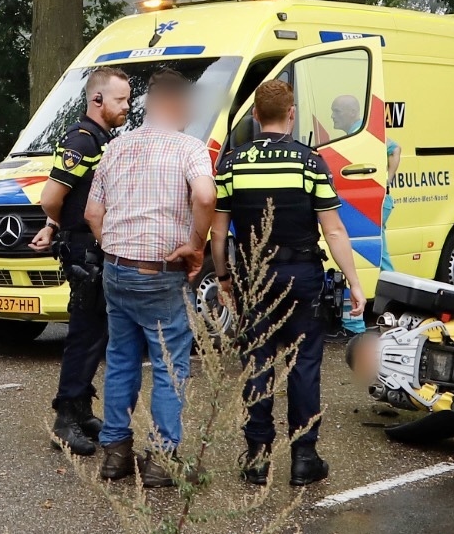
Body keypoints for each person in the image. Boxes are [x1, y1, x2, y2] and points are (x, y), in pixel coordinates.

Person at [211, 77, 364, 487]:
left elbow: (219, 230)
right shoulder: (309, 162)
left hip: (253, 277)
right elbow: (333, 231)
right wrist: (355, 283)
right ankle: (303, 457)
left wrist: (224, 277)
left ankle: (258, 457)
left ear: (257, 116)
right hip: (302, 276)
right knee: (303, 365)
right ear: (291, 115)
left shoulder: (232, 163)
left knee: (257, 363)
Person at [83, 69, 215, 483]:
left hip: (116, 270)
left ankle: (115, 454)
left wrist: (113, 250)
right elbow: (206, 196)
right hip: (161, 273)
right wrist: (196, 243)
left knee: (121, 360)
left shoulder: (115, 148)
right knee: (168, 365)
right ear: (175, 103)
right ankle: (161, 458)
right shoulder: (190, 149)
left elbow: (91, 213)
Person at [28, 67, 130, 454]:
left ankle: (83, 408)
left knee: (96, 335)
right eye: (120, 100)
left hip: (96, 248)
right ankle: (65, 418)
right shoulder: (82, 140)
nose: (126, 106)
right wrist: (55, 223)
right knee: (84, 335)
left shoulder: (103, 138)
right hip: (85, 251)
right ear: (97, 100)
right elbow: (51, 197)